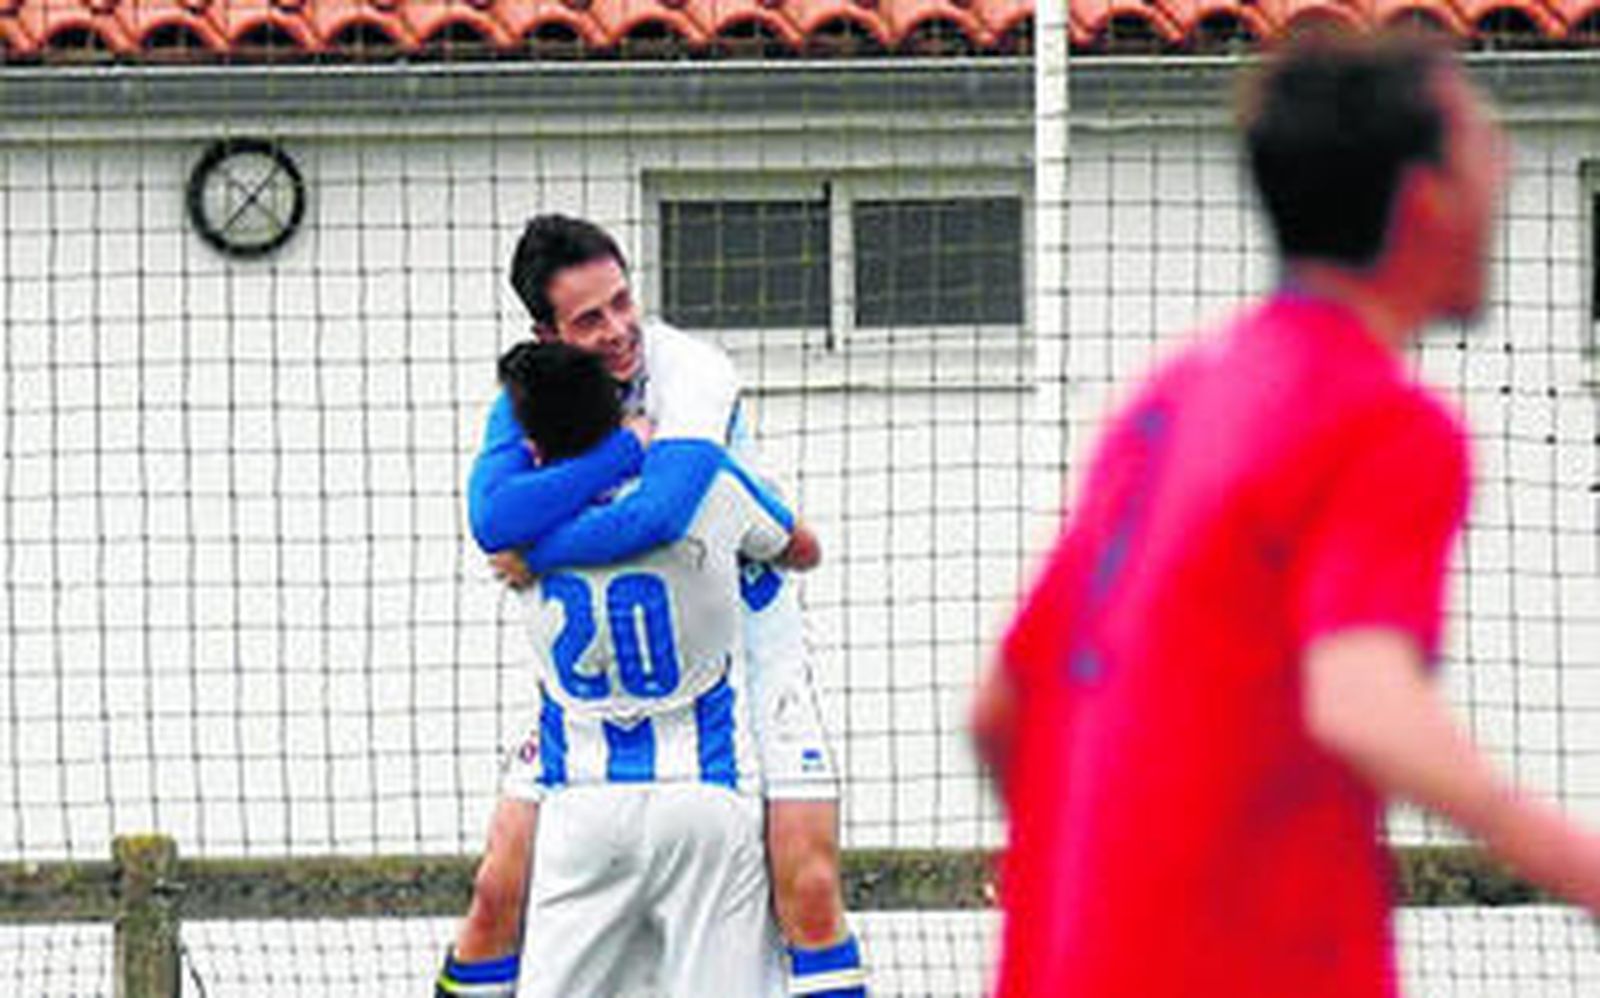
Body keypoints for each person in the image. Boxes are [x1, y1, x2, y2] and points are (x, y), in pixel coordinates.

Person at [971, 33, 1600, 998]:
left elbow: (1000, 712)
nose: (1507, 167)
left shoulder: (1167, 399)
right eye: (1485, 145)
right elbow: (1361, 699)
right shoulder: (1383, 421)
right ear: (1425, 202)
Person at [437, 216, 866, 998]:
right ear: (547, 331)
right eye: (589, 319)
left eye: (623, 302)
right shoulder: (535, 390)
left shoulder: (690, 371)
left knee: (804, 886)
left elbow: (659, 516)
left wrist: (539, 552)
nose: (618, 330)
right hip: (615, 677)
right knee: (498, 888)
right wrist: (617, 454)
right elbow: (492, 518)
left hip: (739, 642)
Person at [492, 339, 816, 996]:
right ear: (621, 419)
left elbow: (518, 514)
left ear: (532, 451)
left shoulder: (517, 540)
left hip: (580, 808)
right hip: (702, 798)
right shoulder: (709, 490)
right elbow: (802, 549)